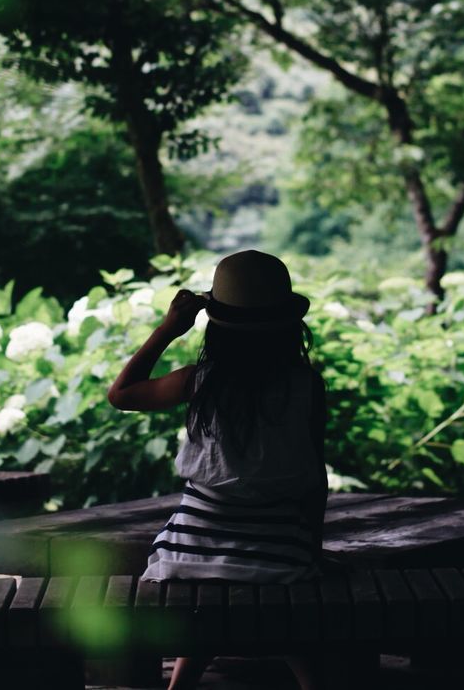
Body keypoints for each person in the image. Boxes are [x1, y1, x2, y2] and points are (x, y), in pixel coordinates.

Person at [108, 249, 328, 690]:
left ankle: (180, 684)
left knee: (208, 591)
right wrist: (311, 550)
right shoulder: (306, 385)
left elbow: (122, 394)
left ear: (217, 325)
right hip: (278, 557)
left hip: (186, 555)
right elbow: (314, 476)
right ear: (288, 323)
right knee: (286, 620)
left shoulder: (198, 381)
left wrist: (169, 329)